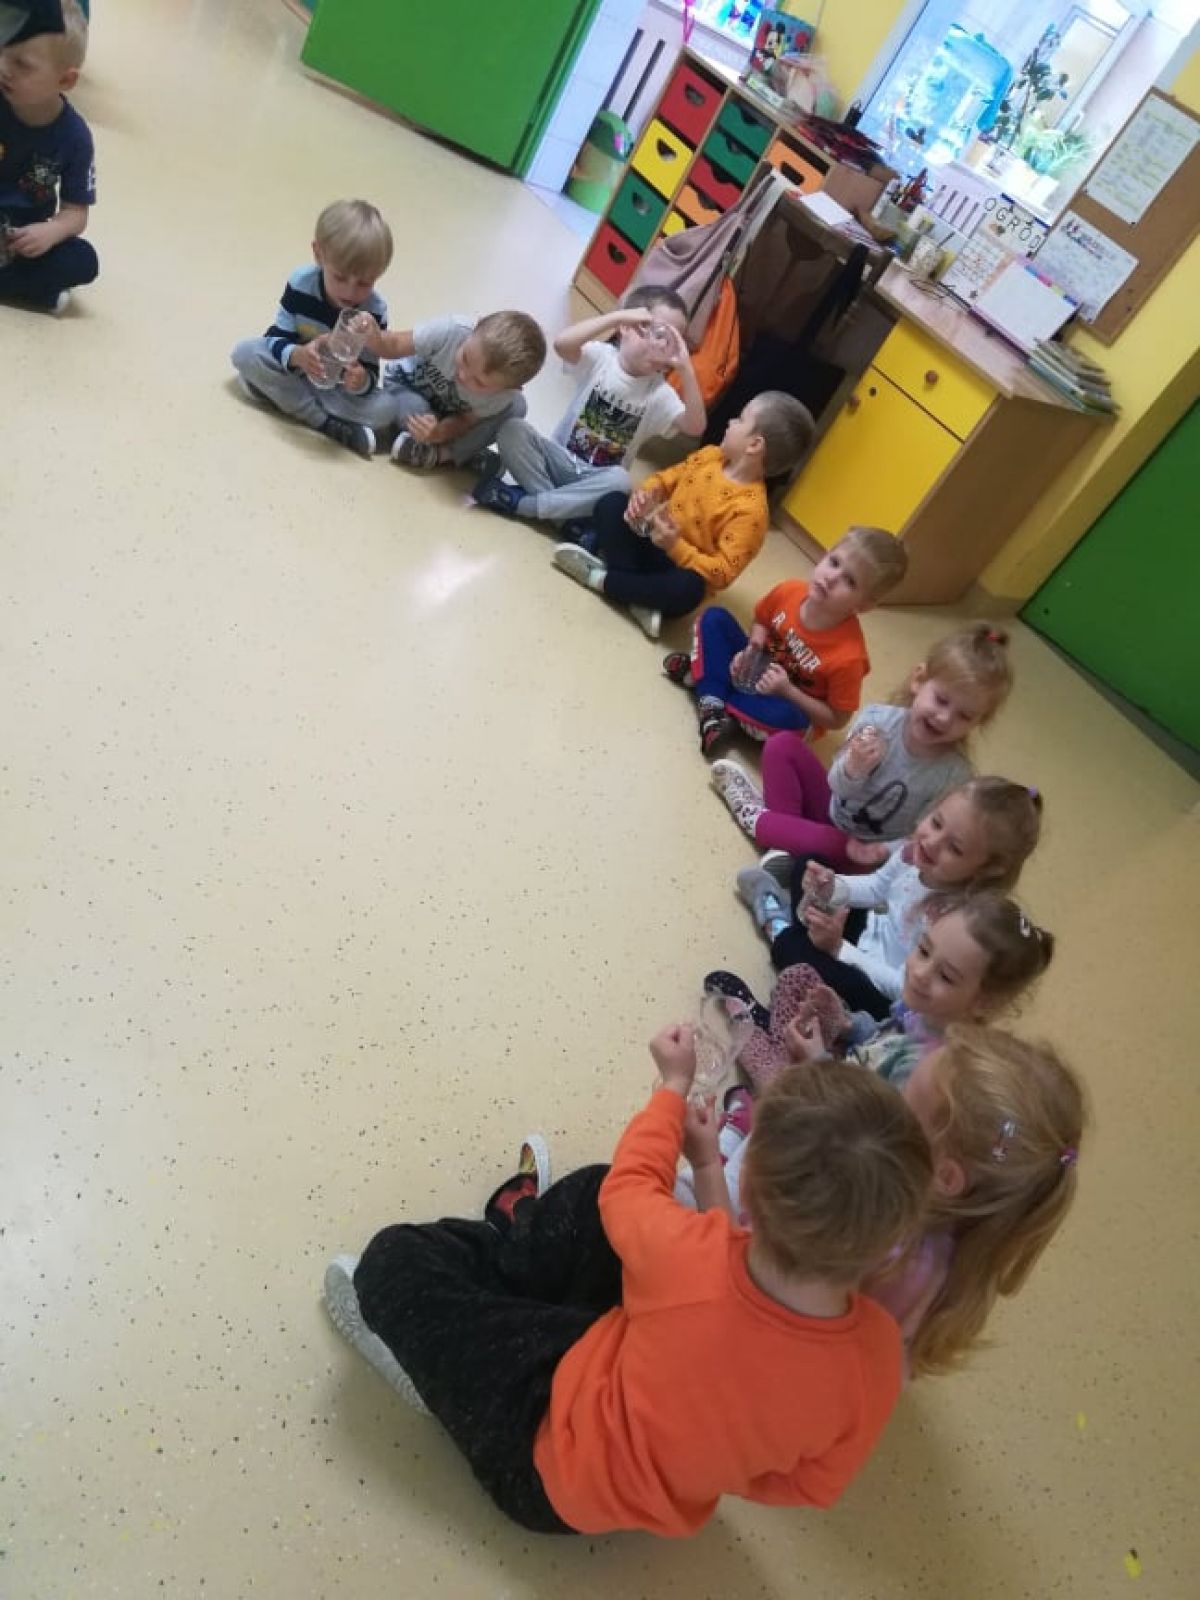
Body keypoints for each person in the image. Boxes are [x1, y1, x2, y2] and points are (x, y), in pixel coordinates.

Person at [322, 1024, 932, 1537]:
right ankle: (514, 1251)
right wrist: (710, 1448)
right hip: (626, 1459)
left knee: (393, 1262)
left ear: (750, 1185)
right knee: (596, 1212)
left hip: (538, 1459)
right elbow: (805, 1484)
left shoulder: (688, 1259)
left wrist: (671, 1088)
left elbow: (631, 1185)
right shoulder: (877, 1356)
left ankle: (432, 1360)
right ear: (891, 1241)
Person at [681, 1025, 1086, 1380]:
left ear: (944, 1177)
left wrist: (705, 1165)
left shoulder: (869, 1235)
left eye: (901, 1108)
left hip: (751, 1358)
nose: (886, 1103)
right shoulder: (958, 1248)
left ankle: (732, 1137)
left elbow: (736, 1266)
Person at [709, 623, 1015, 870]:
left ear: (978, 722)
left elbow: (921, 839)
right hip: (832, 808)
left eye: (964, 716)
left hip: (863, 855)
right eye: (941, 700)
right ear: (919, 681)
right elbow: (836, 785)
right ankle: (787, 846)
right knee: (781, 745)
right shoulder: (877, 720)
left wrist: (882, 851)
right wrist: (853, 770)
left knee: (832, 843)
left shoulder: (954, 776)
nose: (945, 718)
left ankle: (755, 817)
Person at [702, 890, 1056, 1100]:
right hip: (848, 1064)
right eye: (923, 950)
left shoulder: (928, 1070)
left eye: (946, 976)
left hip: (833, 1111)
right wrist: (849, 1024)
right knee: (802, 977)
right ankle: (777, 1037)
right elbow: (882, 1036)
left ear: (983, 1002)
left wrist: (815, 1064)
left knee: (777, 1078)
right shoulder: (926, 1010)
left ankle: (755, 1033)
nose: (920, 973)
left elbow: (858, 1120)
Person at [737, 778, 1044, 1019]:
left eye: (955, 848)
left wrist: (839, 949)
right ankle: (799, 924)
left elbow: (906, 985)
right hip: (865, 934)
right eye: (936, 822)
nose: (932, 842)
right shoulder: (913, 854)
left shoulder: (954, 921)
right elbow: (875, 889)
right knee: (809, 862)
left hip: (879, 984)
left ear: (987, 869)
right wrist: (830, 887)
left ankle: (778, 924)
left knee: (790, 949)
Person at [549, 391, 815, 642]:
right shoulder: (710, 455)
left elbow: (722, 573)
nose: (731, 422)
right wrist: (647, 495)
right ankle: (638, 596)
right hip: (651, 540)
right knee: (612, 502)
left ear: (754, 445)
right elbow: (667, 479)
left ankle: (601, 579)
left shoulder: (751, 512)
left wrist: (675, 546)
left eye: (740, 419)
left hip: (679, 570)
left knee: (688, 590)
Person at [470, 285, 705, 528]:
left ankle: (529, 505)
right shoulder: (602, 358)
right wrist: (616, 317)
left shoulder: (659, 393)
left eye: (674, 342)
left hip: (596, 483)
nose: (664, 347)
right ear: (627, 327)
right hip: (557, 462)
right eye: (659, 334)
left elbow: (695, 426)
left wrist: (685, 367)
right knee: (512, 429)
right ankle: (564, 520)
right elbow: (562, 344)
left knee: (621, 481)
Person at [662, 526, 907, 755]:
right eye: (834, 562)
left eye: (850, 581)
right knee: (714, 618)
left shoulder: (850, 657)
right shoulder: (789, 590)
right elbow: (761, 620)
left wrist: (788, 691)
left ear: (864, 605)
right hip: (754, 671)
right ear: (826, 554)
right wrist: (752, 647)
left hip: (787, 702)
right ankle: (716, 705)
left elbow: (836, 719)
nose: (832, 578)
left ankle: (709, 688)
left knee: (789, 722)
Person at [230, 198, 395, 459]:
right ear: (319, 254)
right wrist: (299, 355)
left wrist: (360, 380)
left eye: (364, 283)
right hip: (297, 371)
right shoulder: (300, 283)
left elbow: (372, 372)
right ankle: (325, 423)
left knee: (387, 409)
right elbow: (275, 337)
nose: (350, 291)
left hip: (335, 391)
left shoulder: (373, 311)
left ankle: (283, 398)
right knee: (245, 352)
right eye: (340, 277)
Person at [0, 0, 97, 313]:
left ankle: (19, 282)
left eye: (22, 64)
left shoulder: (75, 138)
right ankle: (34, 292)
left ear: (65, 80)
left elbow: (75, 213)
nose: (4, 67)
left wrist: (50, 232)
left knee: (83, 260)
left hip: (19, 241)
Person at [367, 310, 546, 470]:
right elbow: (396, 344)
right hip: (406, 386)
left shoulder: (503, 396)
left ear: (508, 389)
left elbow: (464, 421)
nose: (463, 375)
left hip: (449, 416)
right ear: (476, 326)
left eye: (479, 382)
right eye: (466, 358)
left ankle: (441, 454)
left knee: (517, 407)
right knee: (416, 411)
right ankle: (466, 455)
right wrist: (374, 338)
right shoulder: (452, 331)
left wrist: (438, 433)